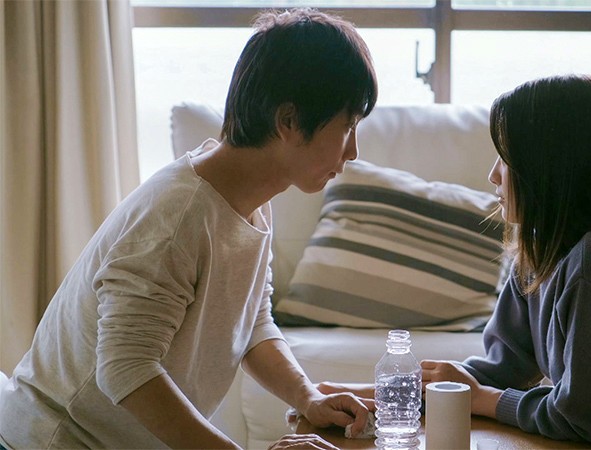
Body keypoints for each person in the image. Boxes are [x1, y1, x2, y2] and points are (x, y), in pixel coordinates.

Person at [0, 8, 377, 450]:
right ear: (288, 121)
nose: (353, 151)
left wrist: (307, 397)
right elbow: (125, 367)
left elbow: (252, 322)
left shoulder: (252, 201)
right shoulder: (178, 217)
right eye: (348, 126)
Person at [318, 74, 591, 449]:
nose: (493, 175)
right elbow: (504, 367)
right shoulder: (537, 254)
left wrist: (484, 400)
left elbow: (588, 416)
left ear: (548, 170)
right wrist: (371, 392)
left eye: (506, 159)